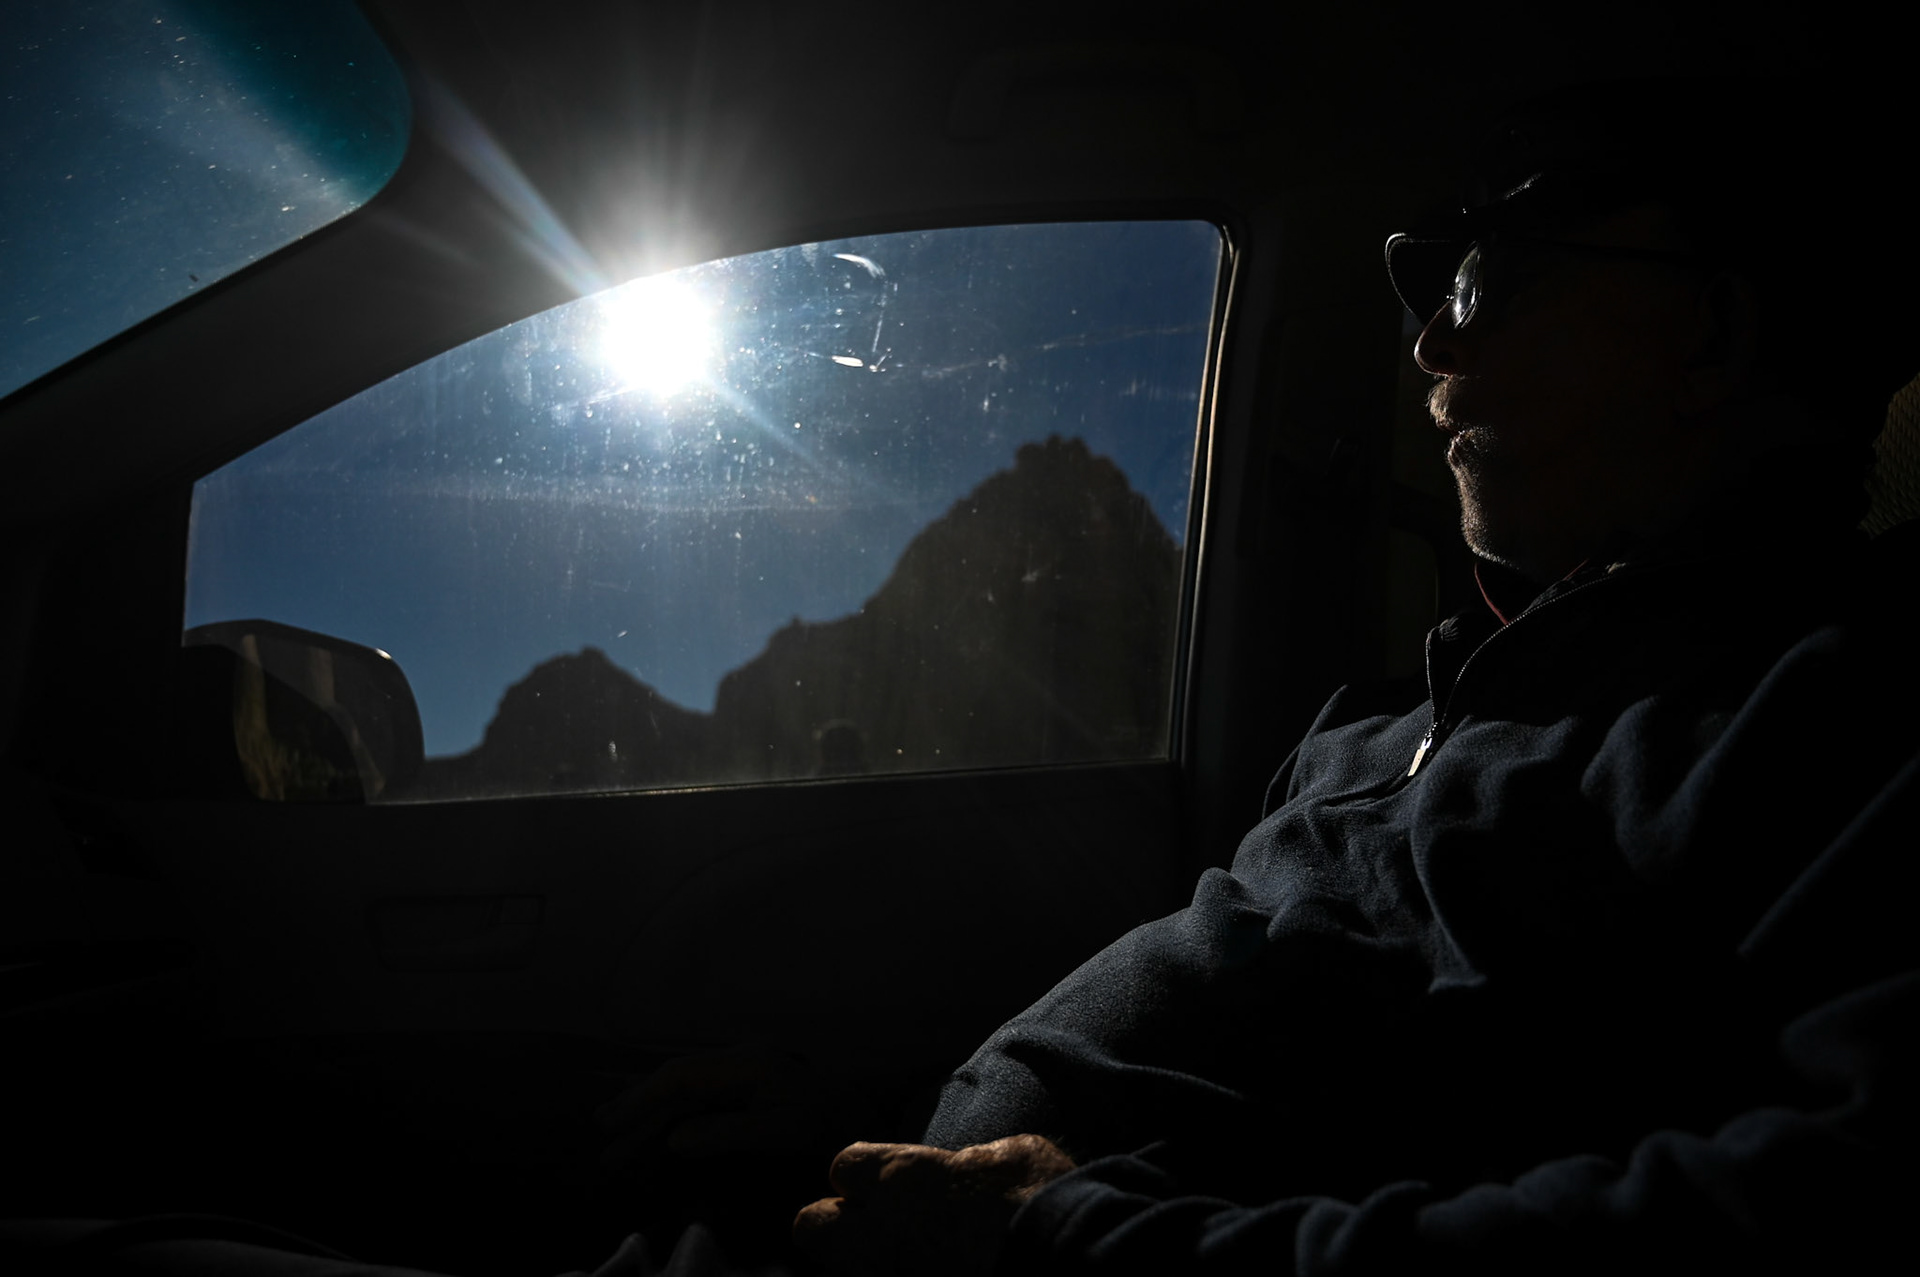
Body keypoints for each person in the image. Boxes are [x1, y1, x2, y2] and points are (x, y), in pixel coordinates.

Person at [787, 80, 1920, 1274]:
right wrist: (846, 1115)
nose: (1430, 342)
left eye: (1489, 279)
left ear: (1714, 331)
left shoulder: (1837, 710)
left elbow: (1818, 1203)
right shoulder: (1371, 731)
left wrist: (1072, 1239)